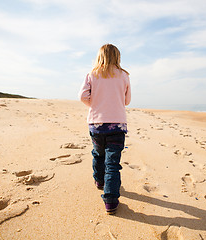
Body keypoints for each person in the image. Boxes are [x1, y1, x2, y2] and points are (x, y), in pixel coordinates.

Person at [78, 44, 131, 214]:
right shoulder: (124, 75)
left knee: (98, 154)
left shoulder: (92, 74)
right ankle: (110, 202)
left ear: (100, 56)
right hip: (117, 125)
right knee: (113, 164)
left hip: (96, 124)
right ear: (117, 57)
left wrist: (94, 104)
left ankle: (99, 181)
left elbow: (82, 97)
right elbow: (127, 100)